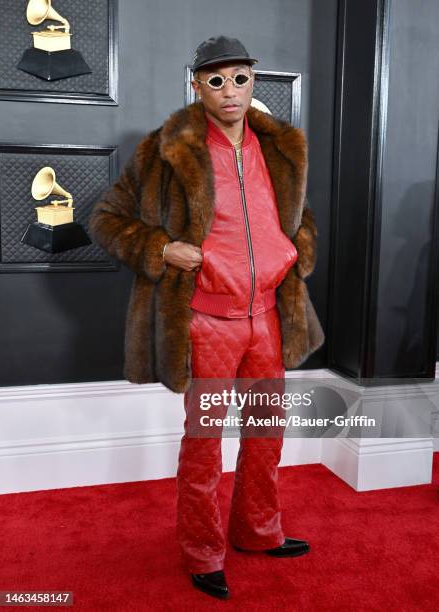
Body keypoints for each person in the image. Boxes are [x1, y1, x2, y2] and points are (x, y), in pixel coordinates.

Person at [89, 35, 324, 600]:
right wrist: (162, 249)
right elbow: (104, 218)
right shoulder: (167, 150)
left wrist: (297, 249)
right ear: (196, 85)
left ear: (253, 82)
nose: (230, 91)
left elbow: (296, 216)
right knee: (205, 442)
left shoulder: (280, 149)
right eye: (216, 80)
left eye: (240, 78)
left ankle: (259, 532)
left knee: (268, 435)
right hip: (208, 321)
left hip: (267, 317)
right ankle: (202, 552)